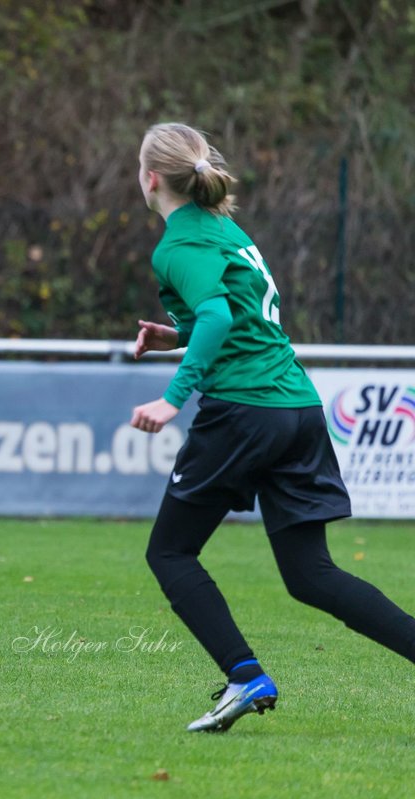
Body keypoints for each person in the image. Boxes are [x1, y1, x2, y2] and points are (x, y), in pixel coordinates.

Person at [131, 121, 415, 731]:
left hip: (244, 412)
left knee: (171, 551)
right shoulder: (226, 229)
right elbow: (234, 319)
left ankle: (243, 674)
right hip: (297, 407)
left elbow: (214, 315)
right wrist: (173, 339)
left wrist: (173, 397)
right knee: (312, 576)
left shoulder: (178, 244)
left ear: (150, 178)